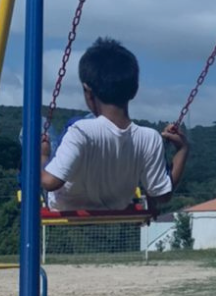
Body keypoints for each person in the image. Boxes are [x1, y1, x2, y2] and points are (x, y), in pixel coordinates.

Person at [40, 37, 188, 211]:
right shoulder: (150, 137)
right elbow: (163, 195)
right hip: (116, 203)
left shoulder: (80, 131)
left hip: (64, 203)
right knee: (91, 122)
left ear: (87, 91)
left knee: (40, 126)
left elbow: (49, 182)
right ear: (135, 90)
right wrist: (182, 150)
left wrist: (43, 155)